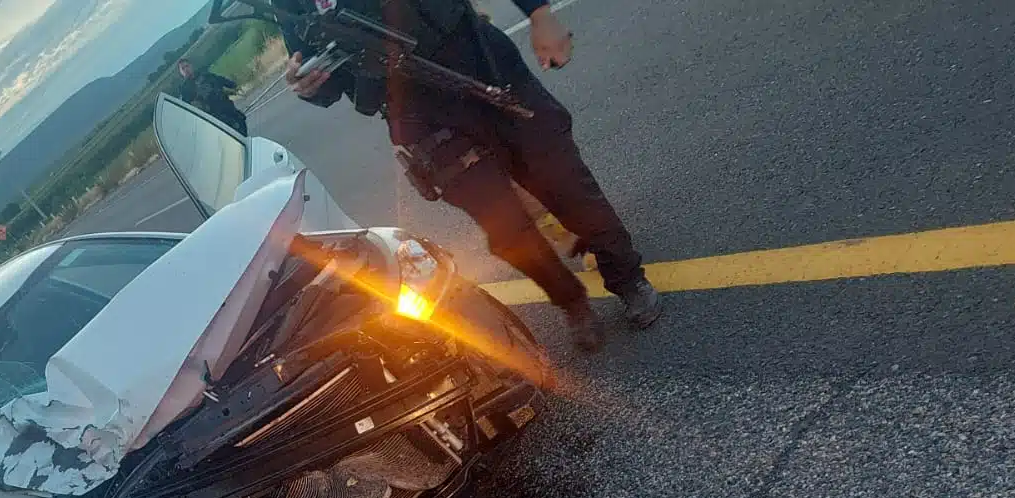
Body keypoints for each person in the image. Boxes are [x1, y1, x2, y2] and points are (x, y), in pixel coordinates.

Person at [279, 0, 660, 352]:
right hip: (419, 118)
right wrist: (308, 85)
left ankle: (627, 279)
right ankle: (571, 302)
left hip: (482, 64)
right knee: (506, 229)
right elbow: (318, 69)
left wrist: (540, 13)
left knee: (566, 183)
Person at [176, 58, 250, 136]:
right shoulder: (185, 90)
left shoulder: (204, 75)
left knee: (241, 120)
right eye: (183, 68)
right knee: (233, 129)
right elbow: (186, 109)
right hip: (214, 116)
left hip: (226, 105)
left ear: (191, 66)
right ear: (181, 72)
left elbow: (219, 80)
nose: (186, 69)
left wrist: (232, 85)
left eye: (186, 66)